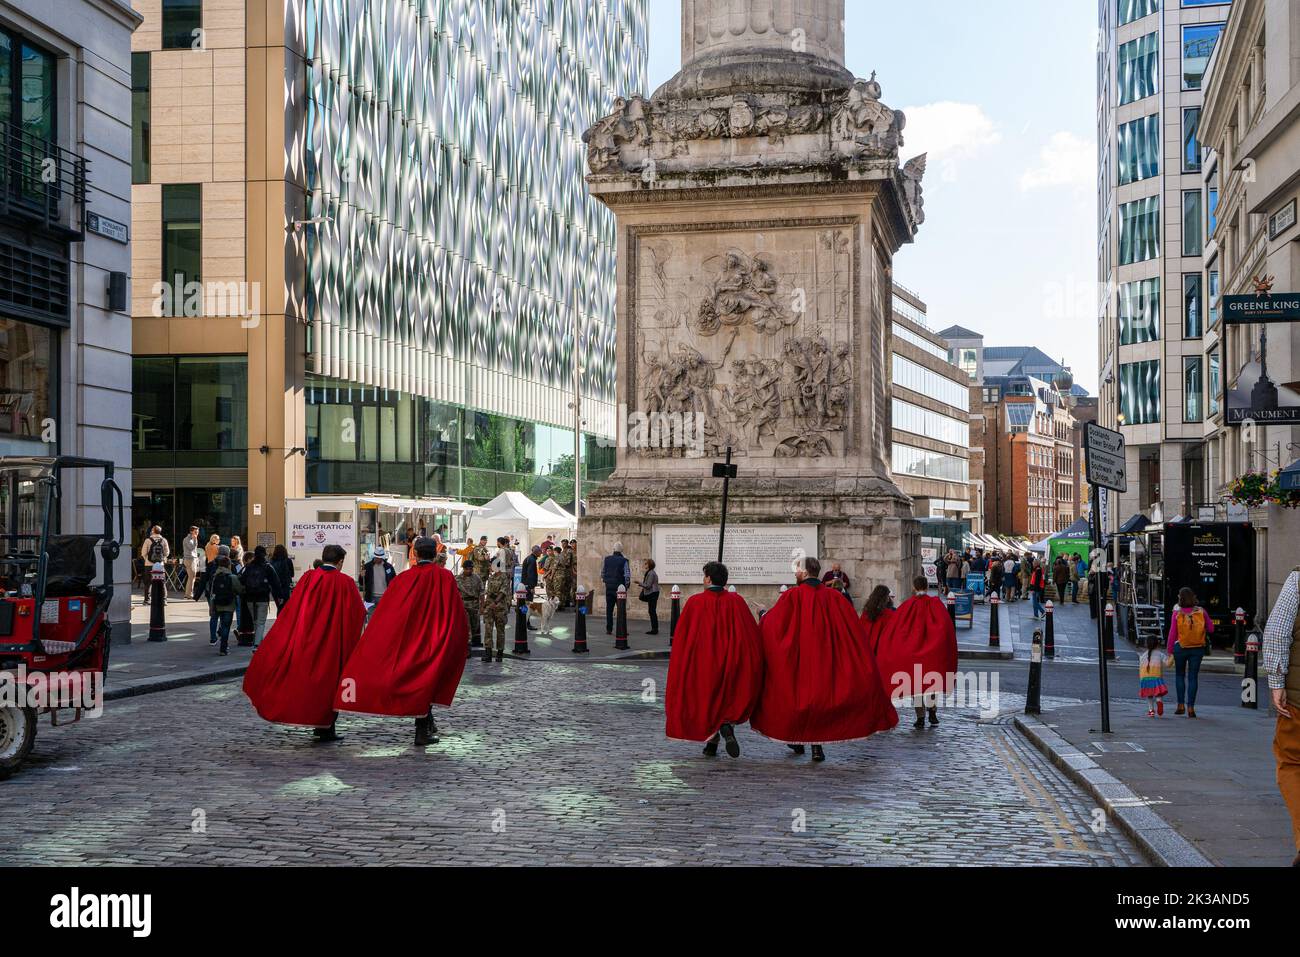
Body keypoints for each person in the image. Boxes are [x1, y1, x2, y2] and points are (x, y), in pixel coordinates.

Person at [750, 557, 899, 762]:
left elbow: (775, 626)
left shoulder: (792, 596)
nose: (795, 574)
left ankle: (797, 740)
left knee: (800, 701)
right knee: (818, 702)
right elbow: (851, 632)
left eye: (797, 571)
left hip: (800, 660)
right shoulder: (835, 598)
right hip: (825, 660)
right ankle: (816, 748)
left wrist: (763, 613)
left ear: (803, 572)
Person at [335, 537, 469, 747]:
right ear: (435, 554)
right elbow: (454, 611)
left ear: (414, 554)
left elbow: (388, 613)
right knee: (428, 681)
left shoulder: (404, 578)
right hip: (433, 639)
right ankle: (422, 730)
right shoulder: (444, 577)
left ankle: (427, 724)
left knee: (420, 681)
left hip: (410, 640)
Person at [242, 544, 365, 742]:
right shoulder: (345, 582)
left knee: (308, 682)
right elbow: (357, 613)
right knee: (329, 685)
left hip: (308, 637)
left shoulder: (309, 578)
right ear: (340, 561)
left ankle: (317, 723)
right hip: (332, 642)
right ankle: (326, 726)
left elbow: (295, 605)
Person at [665, 562, 764, 758]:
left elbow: (684, 638)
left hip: (705, 662)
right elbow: (750, 635)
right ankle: (724, 728)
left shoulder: (695, 602)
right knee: (726, 697)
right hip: (731, 661)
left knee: (706, 700)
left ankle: (712, 741)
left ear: (709, 578)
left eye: (704, 576)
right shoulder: (736, 602)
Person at [875, 575, 958, 729]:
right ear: (926, 587)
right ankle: (932, 711)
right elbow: (946, 628)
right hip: (932, 651)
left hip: (912, 652)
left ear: (914, 587)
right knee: (932, 683)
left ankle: (920, 717)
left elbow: (896, 629)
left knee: (916, 685)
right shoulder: (935, 604)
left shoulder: (907, 606)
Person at [1263, 566, 1300, 867]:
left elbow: (1276, 632)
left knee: (1291, 764)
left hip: (1298, 704)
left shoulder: (1298, 579)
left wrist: (1277, 683)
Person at [1169, 586, 1214, 718]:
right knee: (1193, 677)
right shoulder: (1201, 611)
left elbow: (1173, 633)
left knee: (1179, 675)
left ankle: (1180, 705)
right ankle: (1191, 708)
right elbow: (1211, 629)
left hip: (1180, 647)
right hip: (1197, 648)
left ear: (1181, 598)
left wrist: (1170, 650)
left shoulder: (1177, 613)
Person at [239, 545, 280, 648]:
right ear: (264, 554)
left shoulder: (248, 567)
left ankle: (259, 643)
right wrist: (279, 596)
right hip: (263, 597)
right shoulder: (267, 566)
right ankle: (257, 645)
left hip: (250, 598)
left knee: (255, 622)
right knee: (261, 622)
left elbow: (242, 580)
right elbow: (276, 582)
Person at [207, 555, 243, 655]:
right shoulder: (232, 577)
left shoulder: (215, 576)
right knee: (226, 626)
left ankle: (214, 639)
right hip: (229, 605)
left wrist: (211, 606)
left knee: (218, 622)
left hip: (217, 604)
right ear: (229, 566)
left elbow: (212, 592)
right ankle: (223, 648)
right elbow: (239, 590)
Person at [481, 557, 513, 663]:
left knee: (500, 631)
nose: (490, 567)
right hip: (490, 607)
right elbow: (489, 592)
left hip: (500, 607)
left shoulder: (504, 577)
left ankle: (499, 654)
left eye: (491, 565)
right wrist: (485, 605)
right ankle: (488, 653)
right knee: (488, 630)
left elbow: (503, 592)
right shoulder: (491, 577)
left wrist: (495, 602)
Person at [601, 543, 632, 635]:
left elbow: (602, 573)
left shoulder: (607, 559)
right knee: (621, 609)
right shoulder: (624, 561)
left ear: (613, 549)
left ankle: (609, 629)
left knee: (609, 609)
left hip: (609, 587)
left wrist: (606, 581)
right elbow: (627, 575)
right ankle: (622, 628)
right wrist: (626, 586)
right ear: (621, 550)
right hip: (620, 587)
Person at [859, 584, 896, 655]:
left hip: (866, 650)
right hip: (881, 651)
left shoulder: (866, 612)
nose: (889, 599)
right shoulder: (889, 614)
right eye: (888, 596)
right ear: (885, 598)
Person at [1138, 633, 1169, 718]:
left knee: (1149, 695)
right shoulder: (1160, 654)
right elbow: (1168, 663)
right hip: (1156, 677)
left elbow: (1141, 669)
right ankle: (1159, 702)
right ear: (1157, 644)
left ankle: (1151, 711)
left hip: (1145, 678)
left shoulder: (1143, 656)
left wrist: (1141, 679)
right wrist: (1172, 657)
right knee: (1158, 694)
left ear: (1146, 644)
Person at [140, 526, 170, 606]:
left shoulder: (147, 540)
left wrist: (148, 559)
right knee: (162, 582)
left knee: (148, 583)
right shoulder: (164, 540)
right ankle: (164, 600)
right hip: (160, 565)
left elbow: (143, 553)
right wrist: (161, 559)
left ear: (153, 531)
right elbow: (167, 553)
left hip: (149, 565)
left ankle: (147, 600)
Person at [458, 559, 484, 649]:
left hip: (475, 604)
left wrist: (482, 606)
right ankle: (467, 644)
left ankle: (475, 641)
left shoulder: (477, 578)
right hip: (463, 604)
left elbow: (481, 592)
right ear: (464, 569)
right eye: (467, 569)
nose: (469, 571)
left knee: (475, 624)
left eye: (471, 569)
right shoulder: (458, 579)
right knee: (466, 624)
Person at [638, 558, 661, 636]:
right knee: (652, 611)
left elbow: (648, 585)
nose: (645, 565)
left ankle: (654, 629)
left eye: (646, 564)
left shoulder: (651, 573)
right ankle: (654, 628)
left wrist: (640, 583)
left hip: (653, 593)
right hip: (652, 593)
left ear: (650, 565)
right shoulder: (650, 572)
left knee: (652, 611)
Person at [270, 544, 294, 612]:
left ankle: (279, 620)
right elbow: (292, 574)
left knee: (279, 607)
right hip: (285, 587)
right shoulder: (288, 560)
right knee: (285, 607)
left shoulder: (271, 561)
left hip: (275, 587)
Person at [181, 526, 200, 599]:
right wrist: (195, 539)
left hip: (192, 559)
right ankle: (189, 594)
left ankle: (187, 593)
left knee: (191, 577)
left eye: (197, 532)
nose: (197, 533)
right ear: (191, 531)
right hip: (190, 559)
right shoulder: (188, 539)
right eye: (196, 532)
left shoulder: (191, 539)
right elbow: (191, 548)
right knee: (192, 577)